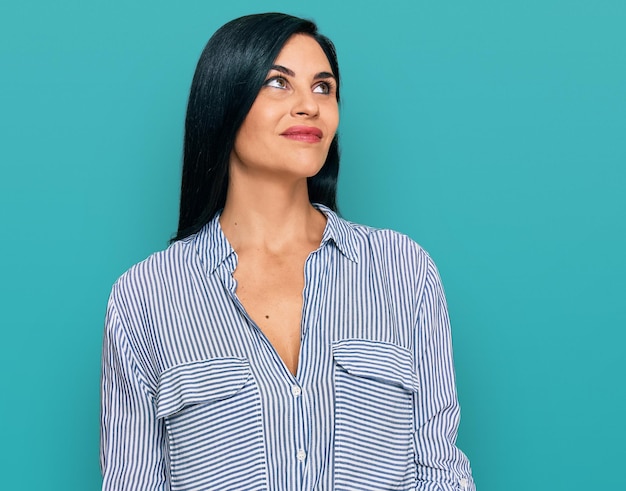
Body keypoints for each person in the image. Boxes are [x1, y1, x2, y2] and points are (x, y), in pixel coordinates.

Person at [100, 12, 475, 491]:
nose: (309, 106)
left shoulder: (403, 271)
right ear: (224, 101)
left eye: (323, 88)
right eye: (279, 82)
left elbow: (439, 472)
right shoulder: (144, 297)